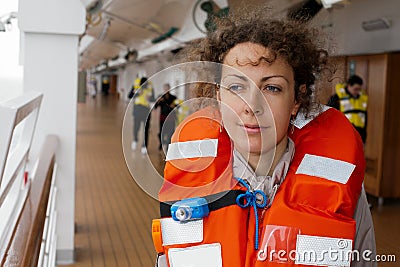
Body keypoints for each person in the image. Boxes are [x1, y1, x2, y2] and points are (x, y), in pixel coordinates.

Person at [153, 8, 376, 267]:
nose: (252, 106)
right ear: (218, 96)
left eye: (272, 87)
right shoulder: (188, 182)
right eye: (236, 87)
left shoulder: (341, 188)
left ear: (296, 100)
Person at [327, 75, 368, 143]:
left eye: (359, 89)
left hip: (358, 136)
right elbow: (330, 118)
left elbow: (364, 119)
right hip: (341, 135)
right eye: (355, 89)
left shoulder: (361, 100)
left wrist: (363, 138)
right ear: (349, 85)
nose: (357, 92)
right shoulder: (336, 98)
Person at [130, 77, 154, 154]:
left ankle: (144, 146)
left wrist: (150, 98)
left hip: (146, 110)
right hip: (137, 109)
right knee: (136, 127)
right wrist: (137, 94)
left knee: (145, 129)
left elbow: (153, 99)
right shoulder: (136, 87)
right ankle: (135, 139)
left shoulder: (150, 88)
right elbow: (129, 95)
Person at [154, 83, 177, 151]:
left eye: (168, 88)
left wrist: (174, 106)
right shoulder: (161, 97)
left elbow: (178, 106)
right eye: (165, 88)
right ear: (164, 89)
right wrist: (158, 101)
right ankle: (162, 143)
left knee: (170, 133)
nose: (166, 89)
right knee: (161, 132)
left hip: (171, 118)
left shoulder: (173, 98)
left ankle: (167, 147)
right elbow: (155, 107)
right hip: (163, 117)